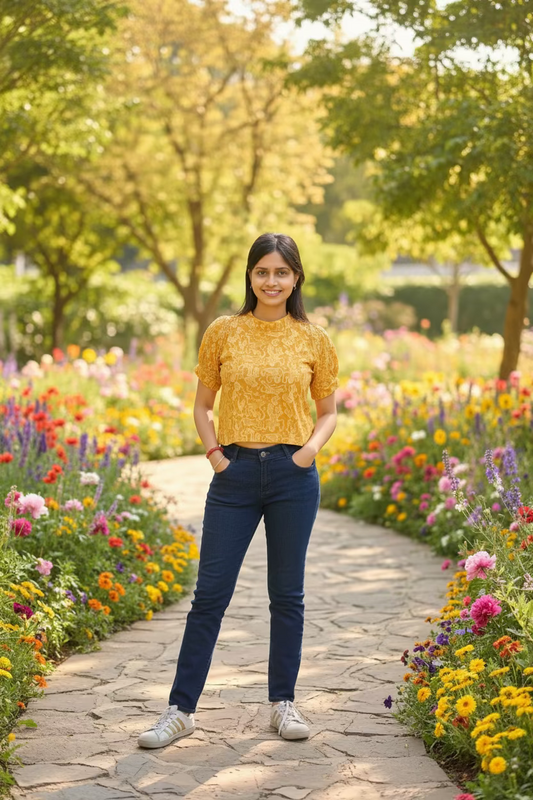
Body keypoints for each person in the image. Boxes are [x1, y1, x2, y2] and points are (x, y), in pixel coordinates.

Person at [138, 232, 339, 749]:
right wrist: (215, 457)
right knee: (209, 596)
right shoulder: (224, 332)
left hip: (294, 477)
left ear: (296, 278)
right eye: (262, 272)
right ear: (250, 276)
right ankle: (180, 710)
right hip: (235, 475)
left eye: (281, 272)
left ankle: (283, 703)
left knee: (286, 595)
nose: (271, 281)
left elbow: (329, 412)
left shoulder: (313, 339)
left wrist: (308, 452)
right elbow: (202, 404)